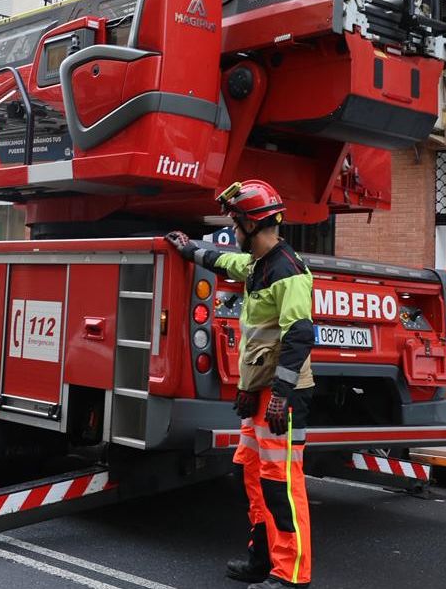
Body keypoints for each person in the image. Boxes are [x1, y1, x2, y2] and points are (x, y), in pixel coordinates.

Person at [167, 180, 314, 588]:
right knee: (254, 476)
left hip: (282, 395)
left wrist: (280, 395)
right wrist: (191, 251)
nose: (232, 229)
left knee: (282, 483)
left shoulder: (288, 271)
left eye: (235, 221)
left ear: (252, 222)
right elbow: (225, 262)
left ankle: (291, 575)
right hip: (262, 394)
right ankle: (262, 558)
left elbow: (299, 335)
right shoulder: (258, 265)